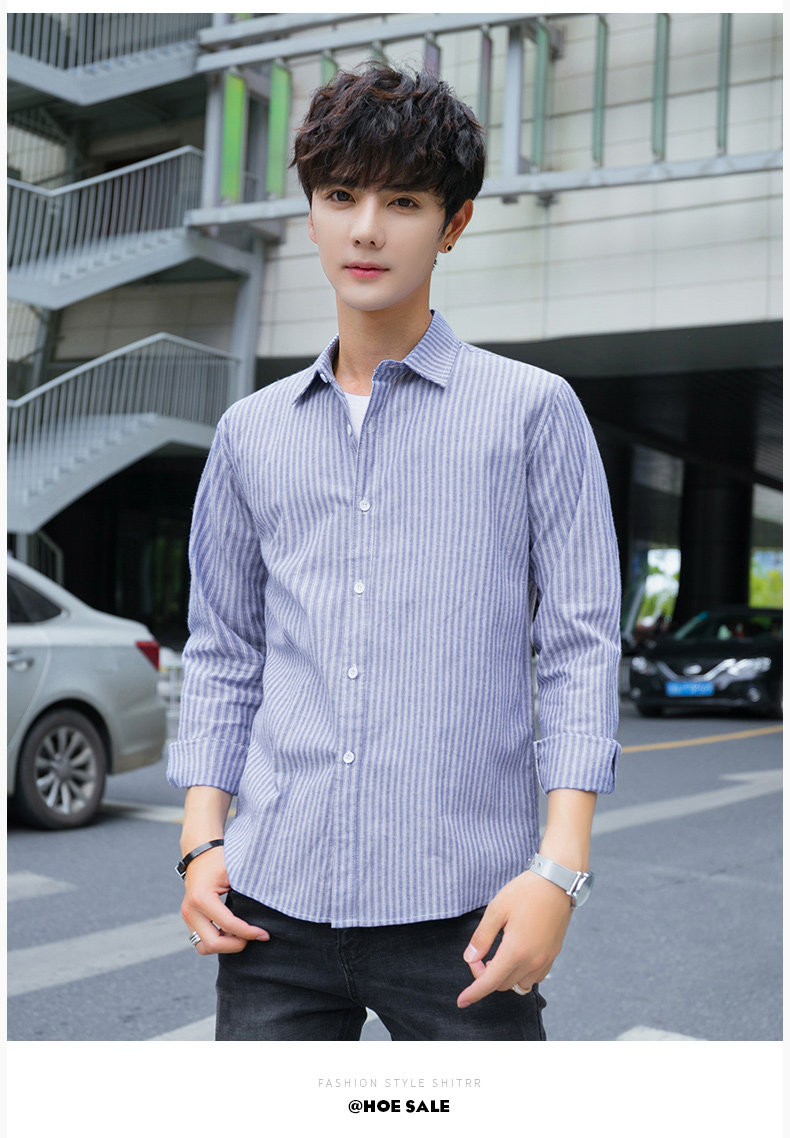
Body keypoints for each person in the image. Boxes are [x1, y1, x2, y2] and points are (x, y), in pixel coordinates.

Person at [168, 63, 622, 1041]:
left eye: (404, 202)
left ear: (453, 224)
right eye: (341, 196)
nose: (366, 229)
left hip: (466, 912)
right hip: (270, 904)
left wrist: (559, 871)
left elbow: (580, 649)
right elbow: (225, 649)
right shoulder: (250, 433)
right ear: (312, 214)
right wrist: (201, 841)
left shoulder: (533, 413)